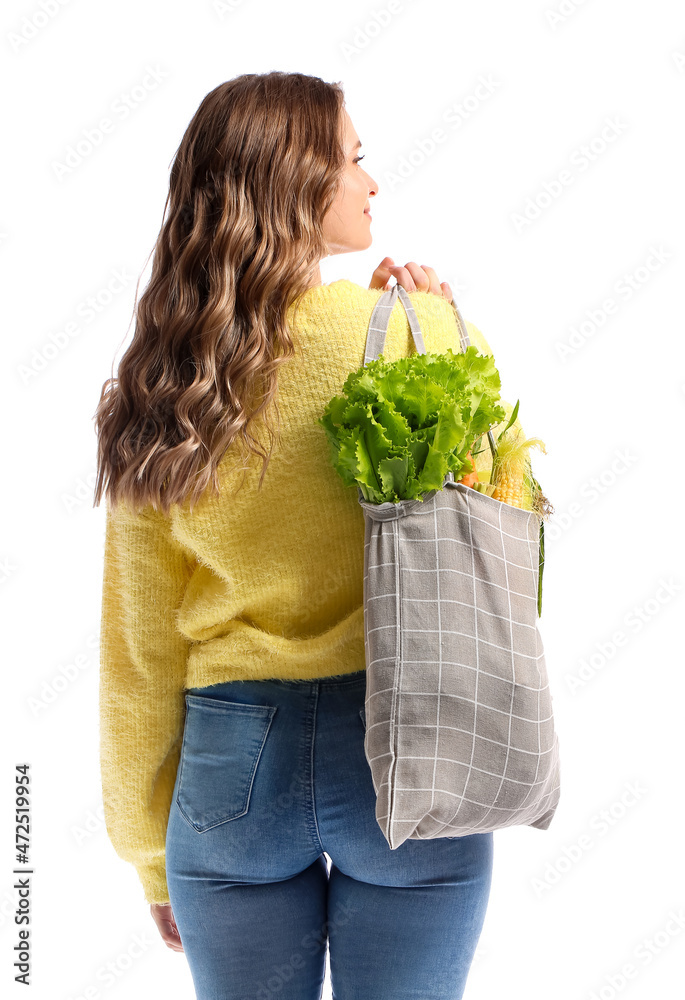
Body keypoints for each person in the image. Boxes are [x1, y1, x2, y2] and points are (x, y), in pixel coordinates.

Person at [93, 70, 523, 1000]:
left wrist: (145, 851)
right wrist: (446, 333)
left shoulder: (166, 380)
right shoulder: (418, 331)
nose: (372, 182)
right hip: (408, 749)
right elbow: (510, 522)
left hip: (230, 771)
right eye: (353, 160)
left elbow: (138, 647)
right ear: (295, 180)